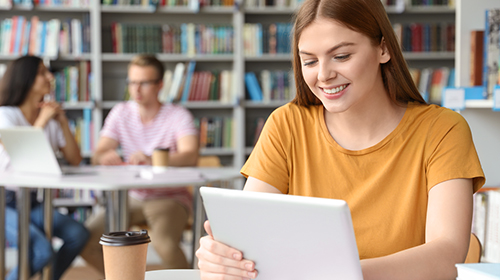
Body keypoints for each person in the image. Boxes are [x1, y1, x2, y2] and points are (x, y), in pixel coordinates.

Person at [195, 0, 486, 279]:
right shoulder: (287, 124)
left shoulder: (442, 129)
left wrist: (341, 274)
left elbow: (447, 254)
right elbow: (251, 238)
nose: (323, 75)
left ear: (383, 48)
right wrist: (223, 258)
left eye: (341, 56)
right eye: (309, 61)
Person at [80, 54, 199, 275]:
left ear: (160, 85)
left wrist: (152, 159)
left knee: (165, 245)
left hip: (170, 197)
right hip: (130, 197)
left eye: (143, 82)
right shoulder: (121, 112)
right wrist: (104, 156)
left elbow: (190, 156)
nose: (136, 89)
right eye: (132, 82)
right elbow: (98, 154)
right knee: (85, 239)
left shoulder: (177, 115)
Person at [0, 55, 90, 280]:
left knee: (77, 234)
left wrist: (61, 122)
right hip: (4, 202)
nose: (50, 77)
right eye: (42, 72)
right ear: (26, 79)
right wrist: (42, 120)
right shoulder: (5, 115)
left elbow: (76, 159)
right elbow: (22, 156)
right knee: (41, 250)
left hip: (31, 202)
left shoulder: (50, 119)